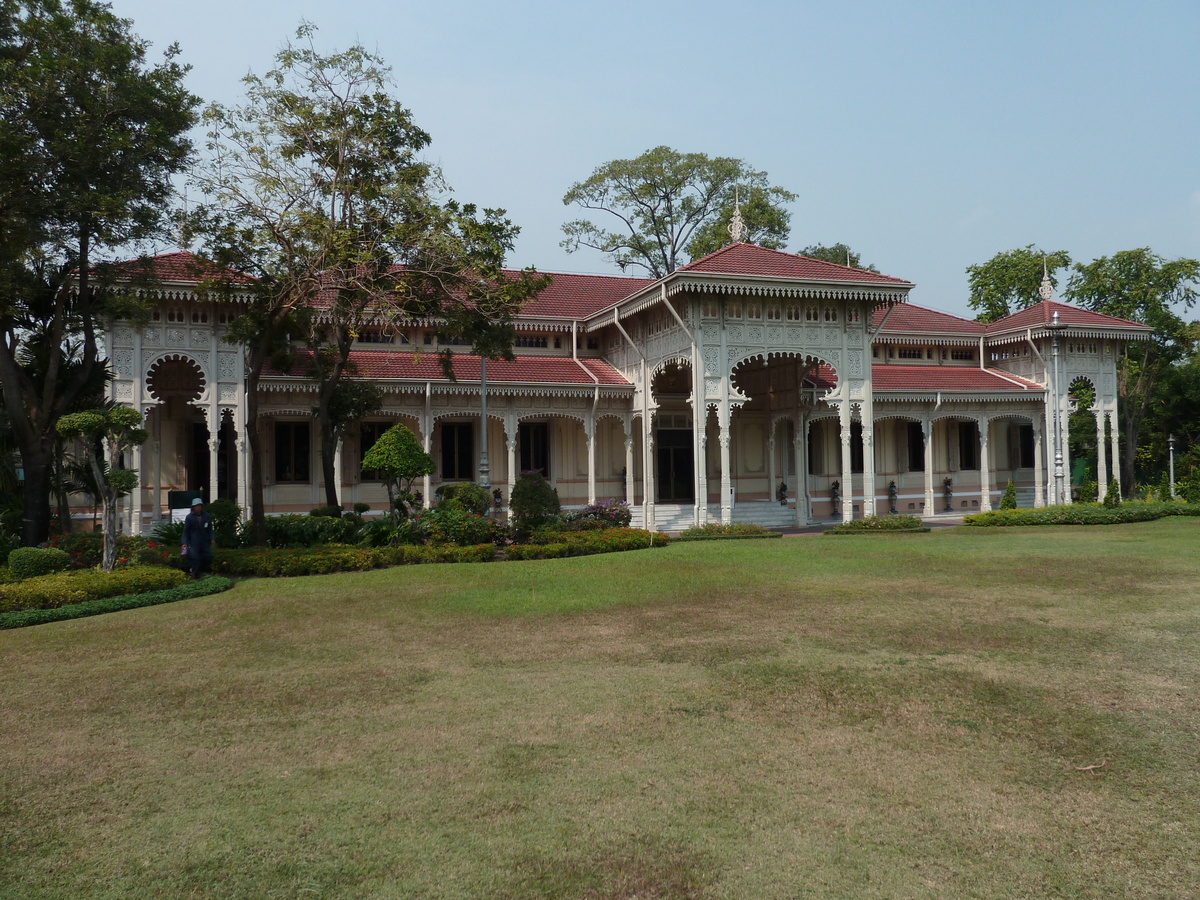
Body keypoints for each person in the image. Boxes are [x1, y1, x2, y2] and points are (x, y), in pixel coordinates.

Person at [181, 497, 215, 579]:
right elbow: (186, 531)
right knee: (194, 557)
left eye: (199, 506)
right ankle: (195, 573)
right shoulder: (189, 517)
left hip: (204, 541)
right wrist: (184, 543)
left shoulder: (206, 516)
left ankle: (203, 571)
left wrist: (212, 538)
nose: (198, 507)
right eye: (196, 506)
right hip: (194, 541)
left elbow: (210, 529)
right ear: (193, 507)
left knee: (207, 556)